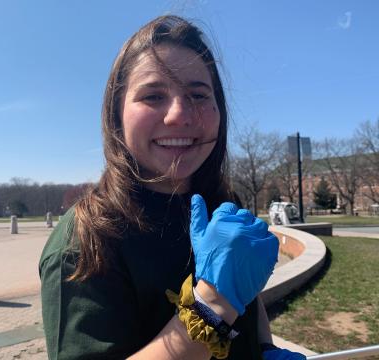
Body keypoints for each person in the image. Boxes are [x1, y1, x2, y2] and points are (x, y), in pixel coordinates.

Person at [40, 15, 306, 360]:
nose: (179, 115)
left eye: (198, 94)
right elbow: (226, 299)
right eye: (152, 96)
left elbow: (248, 299)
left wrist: (265, 347)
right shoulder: (84, 241)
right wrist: (210, 306)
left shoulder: (225, 203)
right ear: (116, 114)